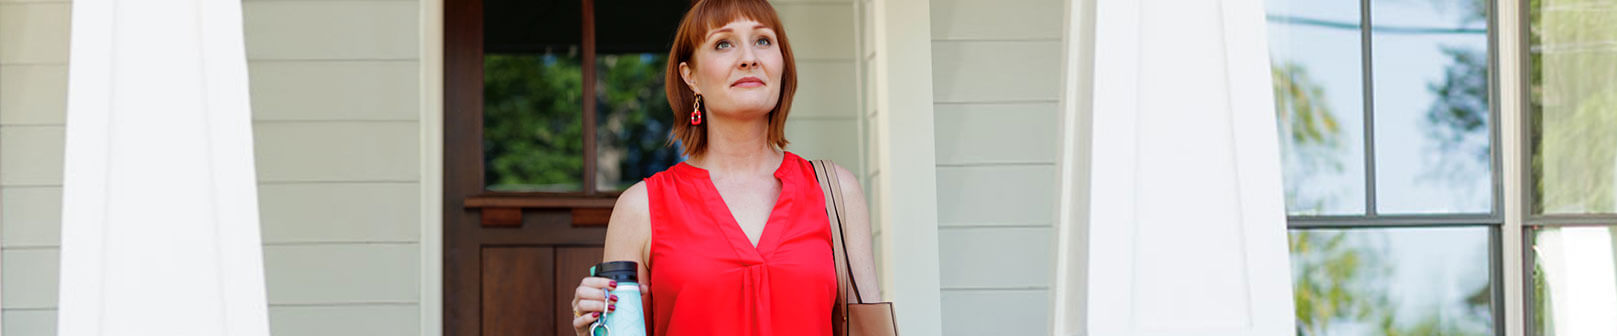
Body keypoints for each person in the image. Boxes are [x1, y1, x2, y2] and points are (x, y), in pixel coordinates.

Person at [568, 0, 879, 335]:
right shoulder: (640, 207)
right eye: (723, 43)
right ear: (691, 77)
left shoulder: (836, 193)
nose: (749, 58)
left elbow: (867, 328)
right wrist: (594, 328)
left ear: (782, 64)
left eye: (763, 40)